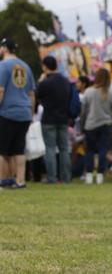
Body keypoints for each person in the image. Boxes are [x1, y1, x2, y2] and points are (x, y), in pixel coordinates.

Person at [0, 38, 35, 189]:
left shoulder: (3, 66)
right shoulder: (26, 66)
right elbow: (31, 93)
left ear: (4, 49)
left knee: (3, 150)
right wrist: (31, 112)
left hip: (7, 112)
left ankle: (4, 180)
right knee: (18, 149)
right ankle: (20, 181)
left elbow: (0, 90)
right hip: (25, 113)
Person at [36, 56, 72, 183]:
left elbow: (37, 94)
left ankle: (52, 177)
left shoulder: (45, 82)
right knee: (64, 148)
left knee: (50, 148)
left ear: (45, 66)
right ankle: (66, 177)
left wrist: (40, 81)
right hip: (63, 118)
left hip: (49, 118)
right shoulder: (65, 81)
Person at [80, 68, 112, 184]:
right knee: (103, 151)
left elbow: (83, 111)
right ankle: (100, 175)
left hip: (90, 125)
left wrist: (82, 126)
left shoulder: (89, 92)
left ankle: (89, 175)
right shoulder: (111, 93)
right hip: (106, 125)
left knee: (89, 151)